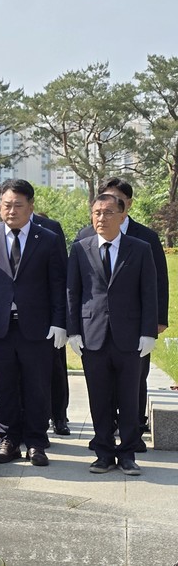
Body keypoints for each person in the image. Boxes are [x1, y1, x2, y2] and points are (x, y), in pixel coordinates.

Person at [0, 180, 67, 467]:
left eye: (18, 206)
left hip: (37, 326)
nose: (11, 211)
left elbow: (59, 284)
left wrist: (61, 322)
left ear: (30, 207)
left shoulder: (46, 239)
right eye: (6, 205)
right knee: (4, 385)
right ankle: (8, 440)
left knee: (37, 386)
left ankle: (36, 442)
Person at [67, 193, 158, 476]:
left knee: (130, 397)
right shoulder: (81, 248)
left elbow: (149, 292)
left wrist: (148, 332)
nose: (101, 218)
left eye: (107, 213)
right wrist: (73, 331)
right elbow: (73, 292)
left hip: (130, 337)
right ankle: (104, 452)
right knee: (99, 397)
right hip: (92, 335)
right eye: (96, 213)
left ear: (122, 216)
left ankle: (128, 453)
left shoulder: (139, 249)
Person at [75, 177, 169, 438]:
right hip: (96, 327)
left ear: (126, 205)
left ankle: (134, 431)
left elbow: (157, 281)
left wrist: (156, 322)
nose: (104, 213)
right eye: (101, 204)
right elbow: (75, 286)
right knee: (100, 387)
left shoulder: (146, 237)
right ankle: (104, 436)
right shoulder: (85, 236)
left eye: (115, 202)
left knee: (134, 382)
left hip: (133, 324)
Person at [32, 212, 72, 437]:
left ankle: (59, 416)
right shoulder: (0, 230)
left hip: (49, 314)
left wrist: (62, 318)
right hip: (17, 316)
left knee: (56, 368)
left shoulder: (50, 228)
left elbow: (61, 273)